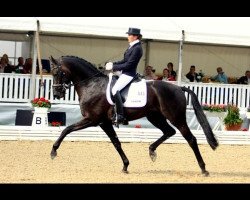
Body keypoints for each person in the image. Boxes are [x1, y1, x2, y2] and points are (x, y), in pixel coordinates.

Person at [105, 27, 143, 125]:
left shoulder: (137, 48)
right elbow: (124, 60)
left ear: (135, 36)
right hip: (124, 72)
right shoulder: (132, 46)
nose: (128, 37)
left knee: (114, 90)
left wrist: (114, 67)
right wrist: (113, 63)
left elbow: (129, 64)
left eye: (129, 35)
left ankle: (120, 115)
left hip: (129, 74)